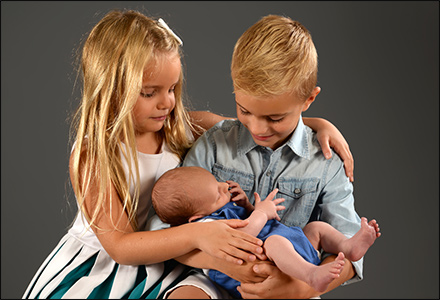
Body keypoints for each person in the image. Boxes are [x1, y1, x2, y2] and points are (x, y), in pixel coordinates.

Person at [22, 9, 356, 299]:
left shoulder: (180, 126)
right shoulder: (95, 154)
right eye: (150, 93)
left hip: (170, 260)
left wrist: (314, 124)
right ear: (112, 91)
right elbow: (121, 246)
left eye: (172, 89)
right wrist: (198, 233)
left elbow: (253, 126)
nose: (167, 102)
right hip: (111, 264)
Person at [177, 15, 367, 299]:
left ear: (308, 100)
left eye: (275, 118)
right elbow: (167, 231)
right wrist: (214, 260)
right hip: (216, 275)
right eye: (244, 111)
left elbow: (351, 255)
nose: (256, 128)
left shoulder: (326, 161)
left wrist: (297, 288)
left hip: (293, 278)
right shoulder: (215, 143)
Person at [151, 166, 381, 298]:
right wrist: (260, 213)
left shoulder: (221, 210)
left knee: (316, 228)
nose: (224, 187)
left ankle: (347, 246)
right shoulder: (206, 228)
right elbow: (244, 239)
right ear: (196, 218)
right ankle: (311, 274)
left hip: (289, 248)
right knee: (274, 242)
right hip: (268, 264)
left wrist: (248, 207)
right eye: (217, 193)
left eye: (217, 182)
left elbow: (248, 222)